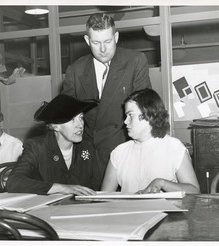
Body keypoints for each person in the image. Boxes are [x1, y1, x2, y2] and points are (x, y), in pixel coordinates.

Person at [61, 13, 152, 184]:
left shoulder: (135, 61)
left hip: (125, 150)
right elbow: (66, 116)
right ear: (87, 41)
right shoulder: (75, 70)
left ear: (116, 37)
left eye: (107, 41)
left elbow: (144, 112)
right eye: (96, 43)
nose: (103, 49)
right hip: (89, 155)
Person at [101, 89, 200, 194]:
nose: (125, 121)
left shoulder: (174, 147)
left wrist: (161, 183)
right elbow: (104, 198)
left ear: (148, 114)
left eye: (130, 115)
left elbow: (194, 191)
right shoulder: (118, 152)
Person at [7, 94, 100, 195]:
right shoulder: (37, 147)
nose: (80, 125)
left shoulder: (86, 147)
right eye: (72, 119)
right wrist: (61, 188)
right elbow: (14, 182)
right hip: (46, 209)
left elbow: (95, 186)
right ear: (55, 126)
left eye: (81, 118)